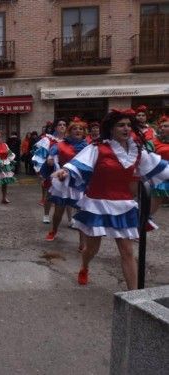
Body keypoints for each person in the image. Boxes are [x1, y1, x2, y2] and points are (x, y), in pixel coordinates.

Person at [52, 109, 169, 290]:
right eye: (121, 125)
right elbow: (78, 164)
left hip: (124, 205)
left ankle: (134, 297)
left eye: (129, 125)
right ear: (111, 128)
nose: (126, 128)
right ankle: (85, 267)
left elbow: (159, 167)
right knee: (92, 249)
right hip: (97, 204)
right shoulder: (97, 148)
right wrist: (64, 171)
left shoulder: (138, 151)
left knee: (128, 252)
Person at [40, 117, 88, 250]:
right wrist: (50, 159)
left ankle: (82, 242)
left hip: (79, 183)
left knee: (81, 212)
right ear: (69, 131)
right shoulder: (60, 144)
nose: (77, 130)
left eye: (80, 129)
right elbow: (51, 156)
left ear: (84, 132)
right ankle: (53, 230)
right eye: (74, 128)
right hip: (63, 181)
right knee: (58, 211)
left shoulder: (88, 147)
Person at [32, 118, 67, 223]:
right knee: (49, 194)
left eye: (64, 125)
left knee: (67, 194)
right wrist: (40, 171)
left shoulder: (69, 140)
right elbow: (39, 155)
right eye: (60, 124)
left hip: (65, 170)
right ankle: (46, 215)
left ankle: (70, 219)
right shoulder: (48, 140)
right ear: (55, 127)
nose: (62, 126)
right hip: (51, 171)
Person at [151, 115, 169, 214]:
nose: (162, 128)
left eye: (166, 126)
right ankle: (146, 221)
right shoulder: (153, 142)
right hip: (160, 175)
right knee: (155, 202)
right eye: (161, 126)